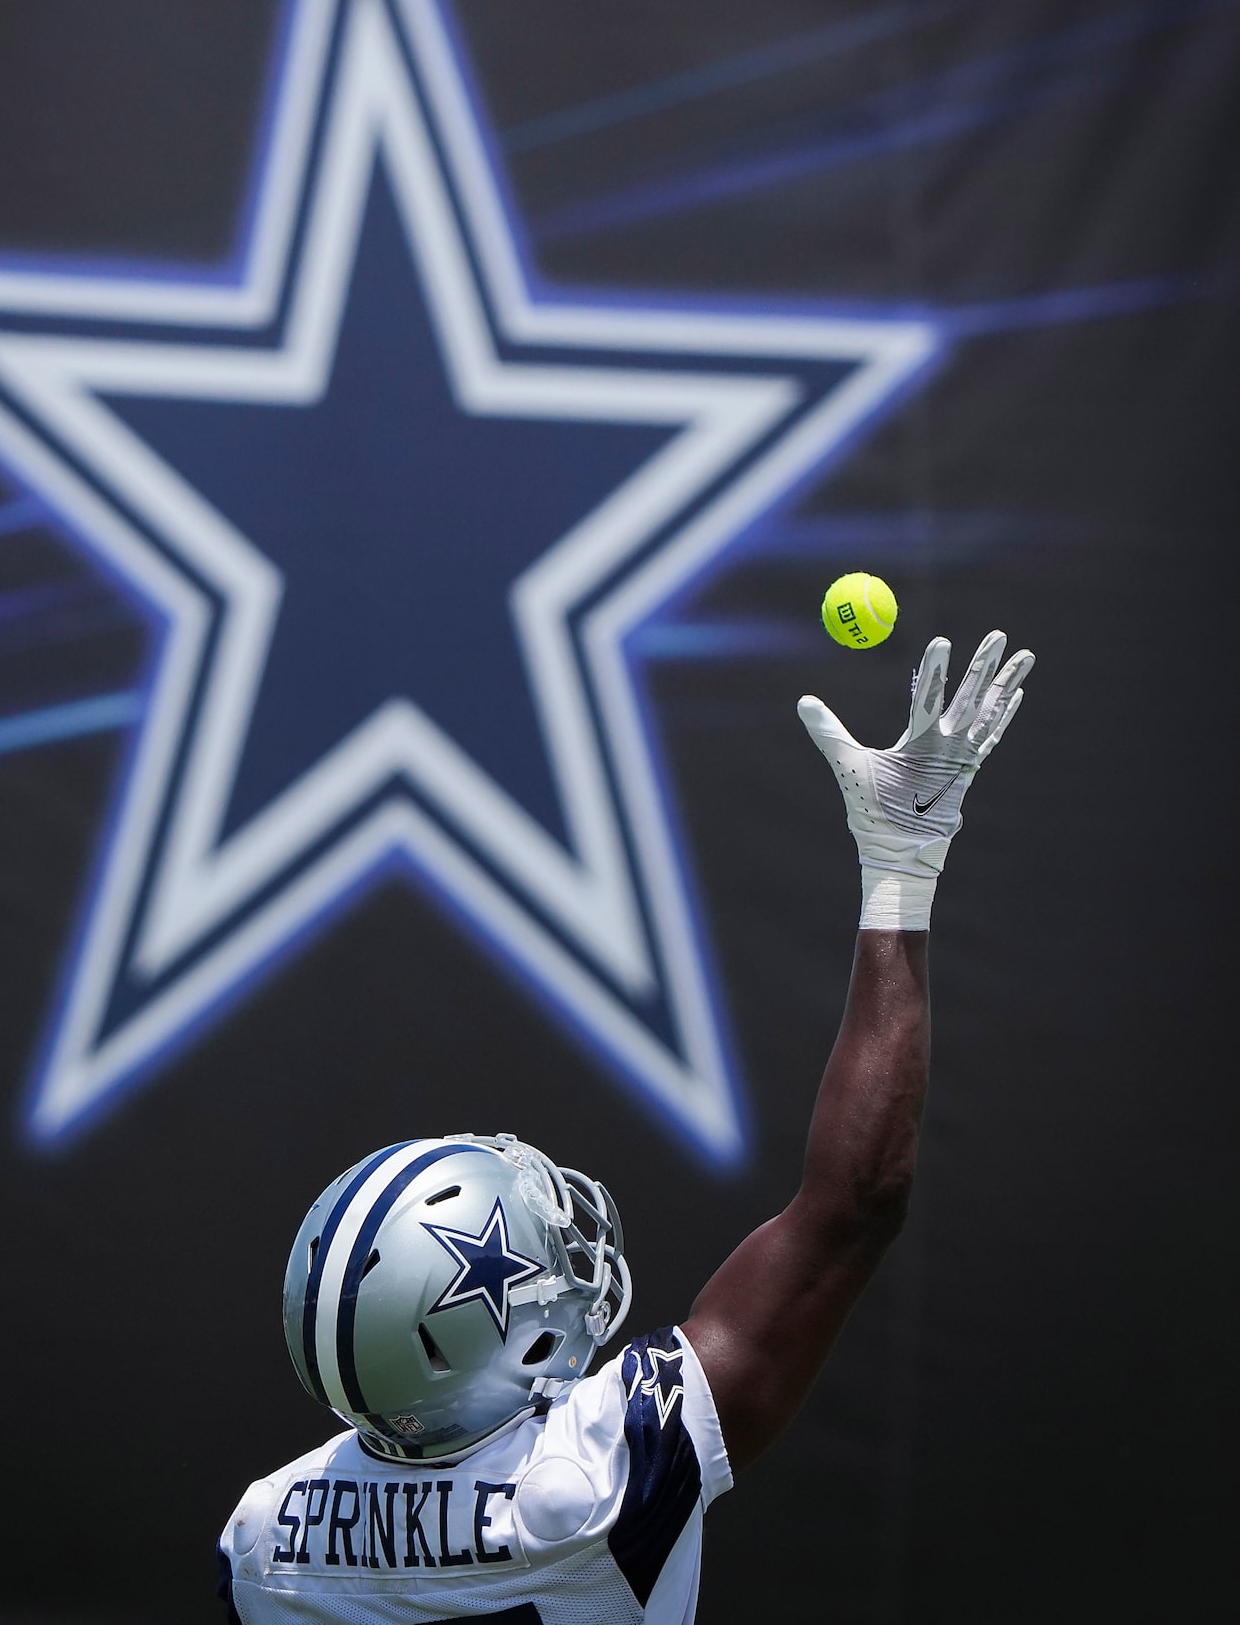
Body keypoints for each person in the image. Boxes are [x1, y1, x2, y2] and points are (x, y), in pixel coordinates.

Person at [218, 630, 1034, 1624]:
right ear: (477, 1344)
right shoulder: (593, 1481)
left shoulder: (264, 1535)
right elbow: (852, 1205)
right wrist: (901, 863)